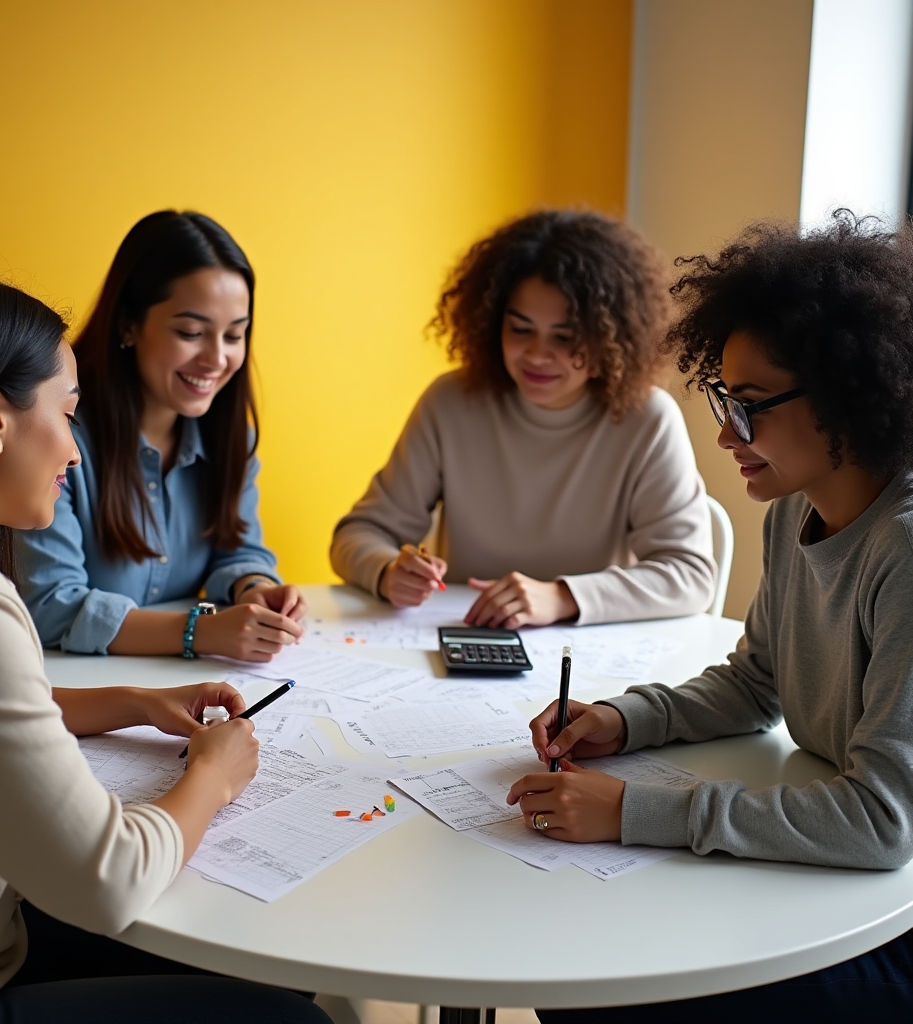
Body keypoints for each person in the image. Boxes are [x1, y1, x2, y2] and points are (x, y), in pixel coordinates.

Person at [0, 267, 330, 1024]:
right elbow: (109, 878)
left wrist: (129, 702)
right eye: (66, 414)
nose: (74, 450)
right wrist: (214, 779)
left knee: (272, 961)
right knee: (299, 1019)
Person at [507, 212, 913, 1020]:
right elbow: (758, 680)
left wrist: (633, 810)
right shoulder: (791, 510)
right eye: (725, 398)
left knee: (597, 985)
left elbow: (880, 821)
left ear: (845, 391)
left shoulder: (903, 552)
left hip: (888, 932)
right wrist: (625, 723)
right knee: (576, 961)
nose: (727, 433)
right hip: (833, 894)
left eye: (752, 404)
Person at [330, 210, 715, 628]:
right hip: (467, 640)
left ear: (612, 340)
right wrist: (387, 571)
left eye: (564, 338)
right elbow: (357, 534)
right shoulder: (451, 403)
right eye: (520, 329)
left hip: (590, 657)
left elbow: (691, 576)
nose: (536, 355)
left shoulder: (648, 420)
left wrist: (561, 597)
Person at [17, 211, 305, 662]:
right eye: (191, 332)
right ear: (129, 323)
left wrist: (256, 588)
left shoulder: (231, 436)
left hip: (182, 688)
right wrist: (201, 632)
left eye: (235, 335)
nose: (216, 359)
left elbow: (239, 550)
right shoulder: (57, 438)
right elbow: (51, 605)